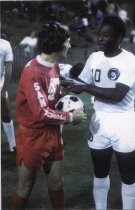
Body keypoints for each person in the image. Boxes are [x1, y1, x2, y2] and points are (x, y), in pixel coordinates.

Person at [64, 15, 135, 210]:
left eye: (107, 35)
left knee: (128, 175)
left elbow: (117, 94)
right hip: (99, 121)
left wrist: (86, 86)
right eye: (100, 34)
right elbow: (79, 85)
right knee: (100, 172)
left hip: (124, 123)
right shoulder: (94, 57)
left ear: (119, 37)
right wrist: (64, 79)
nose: (101, 39)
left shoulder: (129, 60)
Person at [11, 21, 87, 209]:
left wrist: (66, 94)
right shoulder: (32, 72)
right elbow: (41, 113)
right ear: (57, 45)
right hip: (32, 137)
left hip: (52, 133)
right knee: (25, 188)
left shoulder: (54, 66)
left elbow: (50, 98)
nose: (70, 45)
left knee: (56, 183)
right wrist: (71, 117)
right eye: (67, 42)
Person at [0, 37, 16, 153]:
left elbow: (9, 69)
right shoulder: (5, 44)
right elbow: (9, 69)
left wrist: (3, 89)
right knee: (5, 115)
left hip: (0, 86)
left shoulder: (5, 44)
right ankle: (13, 146)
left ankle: (13, 145)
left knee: (5, 115)